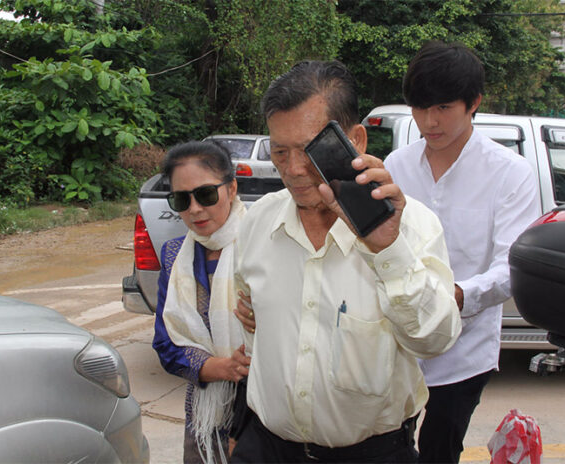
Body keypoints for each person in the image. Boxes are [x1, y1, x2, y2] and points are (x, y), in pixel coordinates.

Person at [230, 60, 462, 463]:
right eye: (280, 151)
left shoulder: (413, 226)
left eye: (308, 149)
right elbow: (251, 309)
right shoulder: (258, 222)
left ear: (354, 140)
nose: (293, 169)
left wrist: (388, 251)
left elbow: (435, 340)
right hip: (265, 448)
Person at [383, 41, 541, 463]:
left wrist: (453, 296)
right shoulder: (397, 165)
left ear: (474, 103)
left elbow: (512, 266)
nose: (429, 121)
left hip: (463, 350)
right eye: (419, 108)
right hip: (396, 343)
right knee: (389, 446)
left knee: (439, 449)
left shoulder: (509, 174)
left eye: (443, 108)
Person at [152, 141, 251, 464]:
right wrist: (219, 367)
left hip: (263, 419)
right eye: (181, 199)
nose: (194, 209)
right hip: (203, 422)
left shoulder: (262, 245)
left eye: (206, 194)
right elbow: (166, 342)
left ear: (231, 188)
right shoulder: (173, 256)